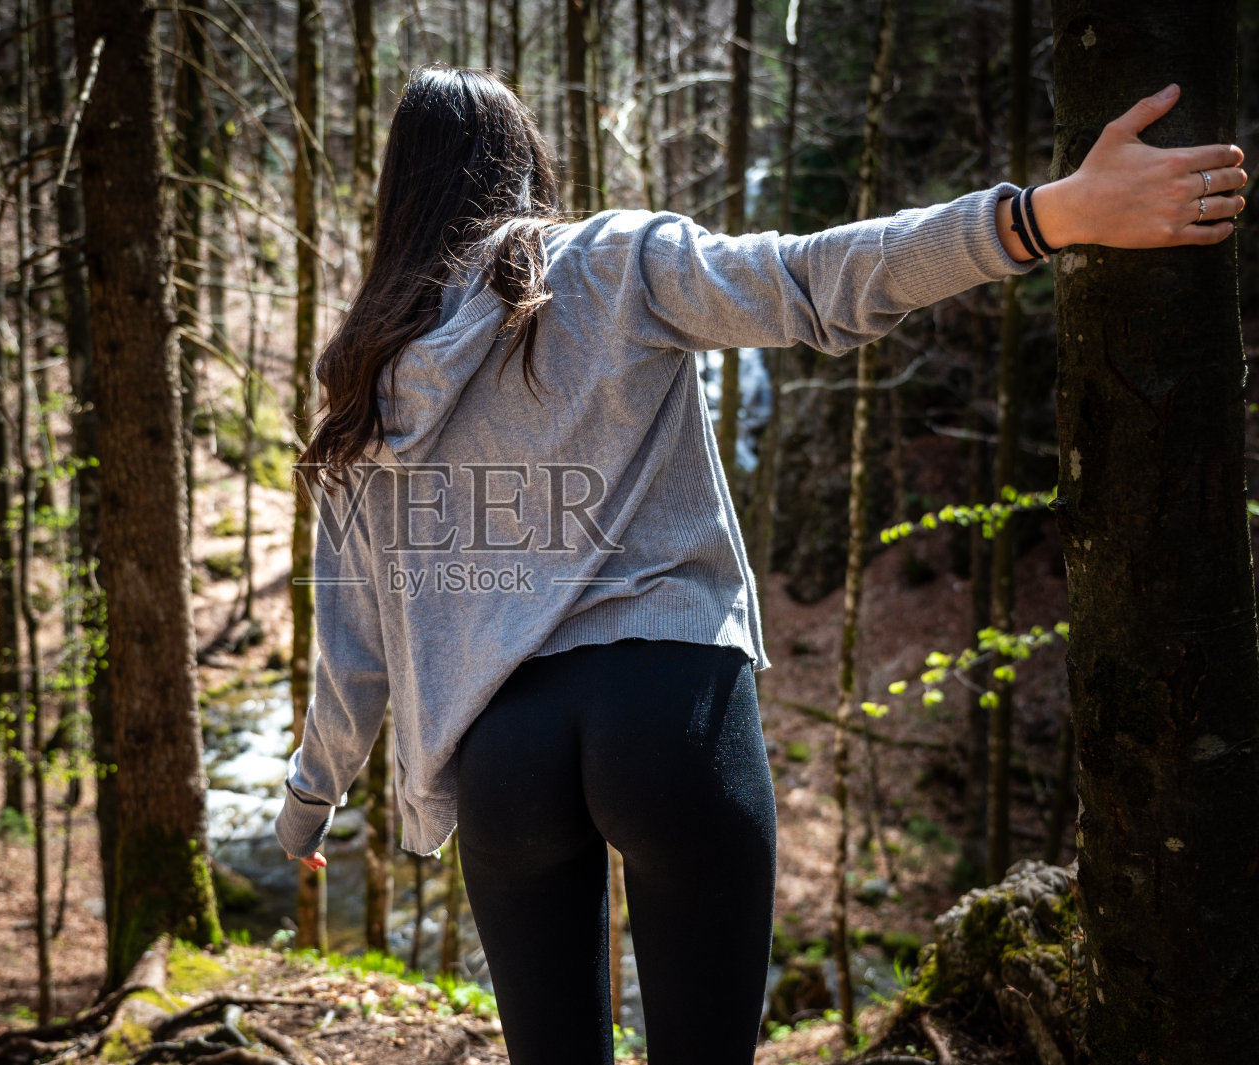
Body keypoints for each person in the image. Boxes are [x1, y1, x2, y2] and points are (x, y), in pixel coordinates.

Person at [272, 68, 1246, 1064]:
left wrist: (312, 797)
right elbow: (811, 280)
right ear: (525, 168)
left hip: (497, 751)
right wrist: (1047, 216)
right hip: (668, 712)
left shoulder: (366, 374)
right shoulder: (610, 263)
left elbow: (356, 634)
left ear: (399, 193)